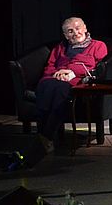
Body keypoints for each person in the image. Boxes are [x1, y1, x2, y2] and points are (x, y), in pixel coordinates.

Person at [35, 17, 108, 149]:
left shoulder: (98, 46)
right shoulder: (59, 48)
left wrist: (72, 72)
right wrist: (56, 74)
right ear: (65, 35)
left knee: (60, 90)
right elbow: (50, 66)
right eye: (70, 31)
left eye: (78, 28)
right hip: (55, 77)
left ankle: (46, 136)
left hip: (77, 80)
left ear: (85, 28)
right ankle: (42, 134)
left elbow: (97, 67)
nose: (75, 33)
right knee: (45, 86)